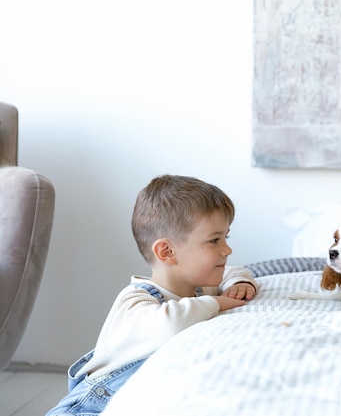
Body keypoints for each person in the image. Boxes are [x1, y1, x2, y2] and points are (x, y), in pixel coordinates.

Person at [46, 174, 258, 416]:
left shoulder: (202, 287)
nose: (227, 249)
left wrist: (239, 283)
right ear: (167, 251)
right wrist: (218, 302)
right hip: (91, 405)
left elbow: (235, 270)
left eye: (226, 237)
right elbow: (171, 323)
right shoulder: (135, 300)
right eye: (214, 240)